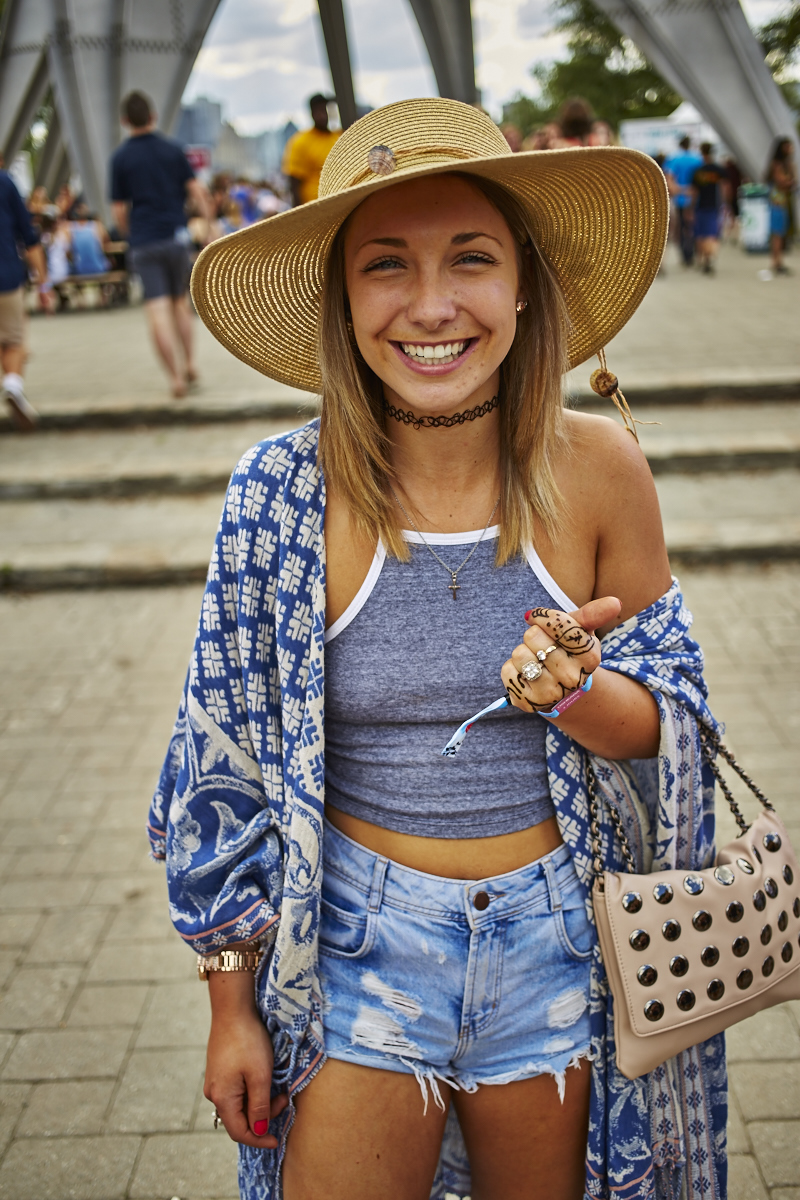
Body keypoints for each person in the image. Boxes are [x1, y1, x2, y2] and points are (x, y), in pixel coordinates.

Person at [148, 99, 726, 1200]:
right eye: (383, 267)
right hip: (355, 952)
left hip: (560, 952)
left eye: (470, 258)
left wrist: (581, 697)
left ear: (521, 283)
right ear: (340, 299)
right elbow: (213, 766)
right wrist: (230, 1004)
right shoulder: (278, 494)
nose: (429, 306)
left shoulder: (599, 468)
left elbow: (676, 722)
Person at [110, 90, 213, 396]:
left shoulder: (120, 158)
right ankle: (191, 362)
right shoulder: (173, 151)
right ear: (153, 117)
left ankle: (175, 379)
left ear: (125, 121)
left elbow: (117, 210)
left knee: (157, 311)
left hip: (144, 240)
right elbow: (198, 192)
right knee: (180, 304)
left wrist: (130, 234)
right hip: (176, 237)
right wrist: (208, 226)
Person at [0, 164, 46, 427]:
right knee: (14, 338)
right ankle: (13, 385)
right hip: (6, 274)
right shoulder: (5, 183)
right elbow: (29, 237)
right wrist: (43, 283)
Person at [282, 94, 341, 206]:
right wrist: (300, 216)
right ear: (312, 114)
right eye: (319, 111)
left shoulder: (338, 137)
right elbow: (294, 184)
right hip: (315, 207)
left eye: (325, 110)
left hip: (340, 202)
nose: (323, 115)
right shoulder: (300, 142)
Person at [664, 135, 703, 266]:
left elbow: (669, 178)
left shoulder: (674, 159)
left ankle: (684, 255)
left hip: (680, 198)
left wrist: (679, 190)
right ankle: (693, 254)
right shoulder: (697, 159)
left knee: (681, 228)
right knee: (694, 226)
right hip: (695, 198)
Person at [691, 142, 729, 273]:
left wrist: (690, 208)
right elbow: (724, 187)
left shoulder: (698, 171)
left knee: (700, 234)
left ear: (702, 153)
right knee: (712, 233)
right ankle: (709, 259)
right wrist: (725, 203)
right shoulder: (718, 169)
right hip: (714, 205)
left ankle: (702, 259)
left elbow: (694, 192)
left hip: (700, 205)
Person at [765, 137, 796, 275]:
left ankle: (778, 261)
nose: (791, 150)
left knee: (780, 233)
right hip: (778, 202)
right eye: (788, 147)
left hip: (783, 202)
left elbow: (791, 181)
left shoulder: (786, 164)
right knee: (777, 233)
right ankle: (777, 262)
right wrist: (789, 180)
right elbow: (783, 182)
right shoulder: (778, 164)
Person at [69, 202, 111, 275]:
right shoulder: (96, 226)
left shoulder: (70, 228)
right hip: (98, 268)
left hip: (80, 270)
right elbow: (107, 242)